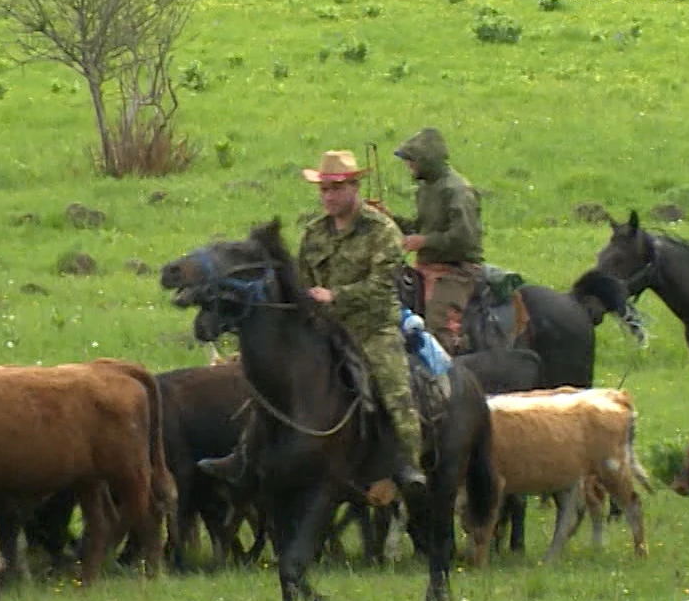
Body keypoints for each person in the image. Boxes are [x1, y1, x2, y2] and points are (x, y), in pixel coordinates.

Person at [199, 149, 428, 496]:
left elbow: (382, 287)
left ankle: (406, 463)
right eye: (324, 190)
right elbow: (300, 281)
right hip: (323, 327)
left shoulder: (383, 231)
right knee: (267, 381)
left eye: (336, 188)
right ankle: (244, 455)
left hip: (372, 327)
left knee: (393, 386)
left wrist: (336, 295)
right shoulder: (314, 234)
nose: (329, 196)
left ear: (354, 188)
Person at [393, 127, 483, 353]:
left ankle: (445, 369)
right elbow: (421, 227)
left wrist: (423, 242)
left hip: (455, 271)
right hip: (425, 266)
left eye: (412, 160)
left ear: (427, 160)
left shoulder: (457, 190)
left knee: (437, 330)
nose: (409, 166)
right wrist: (387, 218)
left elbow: (465, 237)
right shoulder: (425, 189)